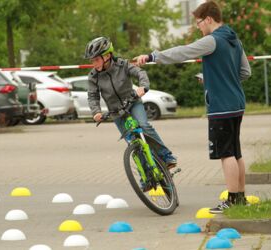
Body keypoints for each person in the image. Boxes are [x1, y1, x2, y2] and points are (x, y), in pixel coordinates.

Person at [133, 0, 251, 213]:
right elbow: (245, 72)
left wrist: (152, 56)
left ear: (208, 19)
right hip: (237, 103)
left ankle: (233, 200)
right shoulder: (235, 40)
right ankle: (240, 197)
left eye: (198, 22)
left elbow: (183, 52)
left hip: (221, 105)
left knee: (226, 154)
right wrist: (215, 79)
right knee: (235, 152)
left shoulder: (212, 40)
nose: (198, 27)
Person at [85, 37, 178, 187]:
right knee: (132, 142)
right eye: (92, 60)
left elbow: (140, 73)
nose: (93, 63)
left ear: (107, 56)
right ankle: (145, 176)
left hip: (132, 103)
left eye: (96, 59)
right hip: (116, 112)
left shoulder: (123, 65)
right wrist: (96, 112)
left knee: (143, 126)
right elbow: (92, 95)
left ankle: (166, 156)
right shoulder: (93, 76)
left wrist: (143, 87)